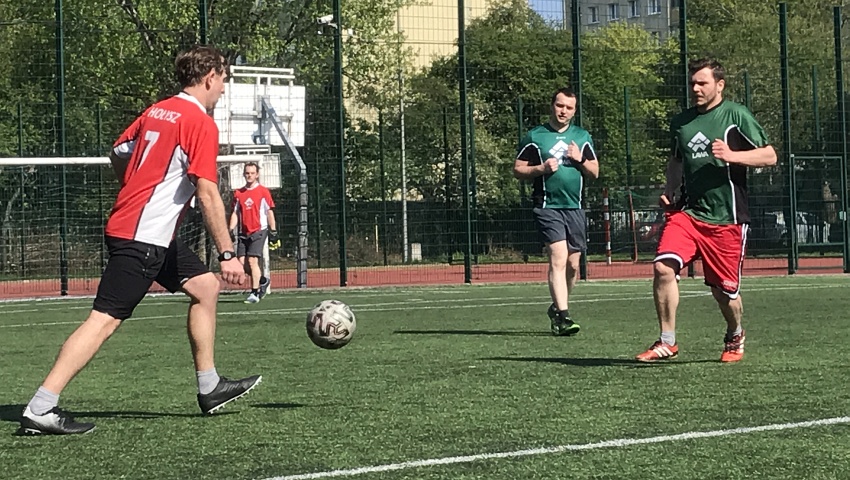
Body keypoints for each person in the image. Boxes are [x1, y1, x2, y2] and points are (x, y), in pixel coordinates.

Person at [18, 45, 262, 436]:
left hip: (147, 234)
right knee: (103, 321)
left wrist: (134, 187)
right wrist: (228, 253)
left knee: (205, 288)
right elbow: (207, 192)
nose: (223, 88)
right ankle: (40, 407)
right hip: (143, 238)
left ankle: (209, 386)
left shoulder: (157, 111)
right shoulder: (200, 123)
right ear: (209, 77)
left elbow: (118, 151)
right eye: (223, 80)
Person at [635, 57, 777, 363]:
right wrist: (670, 190)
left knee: (724, 293)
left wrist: (732, 155)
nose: (696, 88)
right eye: (692, 83)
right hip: (688, 214)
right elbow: (676, 160)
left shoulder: (736, 115)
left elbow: (769, 156)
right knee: (663, 267)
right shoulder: (681, 123)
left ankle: (735, 333)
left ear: (719, 85)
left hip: (727, 219)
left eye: (703, 83)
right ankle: (667, 341)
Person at [513, 87, 599, 336]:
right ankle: (563, 316)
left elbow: (594, 172)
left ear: (574, 111)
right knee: (558, 257)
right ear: (552, 106)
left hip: (575, 206)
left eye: (569, 107)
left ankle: (557, 307)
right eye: (560, 105)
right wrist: (540, 169)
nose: (563, 111)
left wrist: (580, 159)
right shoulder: (535, 136)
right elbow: (518, 169)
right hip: (547, 206)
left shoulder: (582, 136)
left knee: (573, 265)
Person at [229, 162, 278, 303]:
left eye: (252, 173)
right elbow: (235, 213)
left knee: (252, 261)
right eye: (247, 173)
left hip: (258, 230)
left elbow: (269, 212)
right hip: (243, 232)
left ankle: (255, 293)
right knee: (242, 264)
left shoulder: (263, 191)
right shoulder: (238, 193)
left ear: (257, 175)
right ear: (244, 174)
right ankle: (262, 280)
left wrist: (273, 231)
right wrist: (230, 229)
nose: (249, 176)